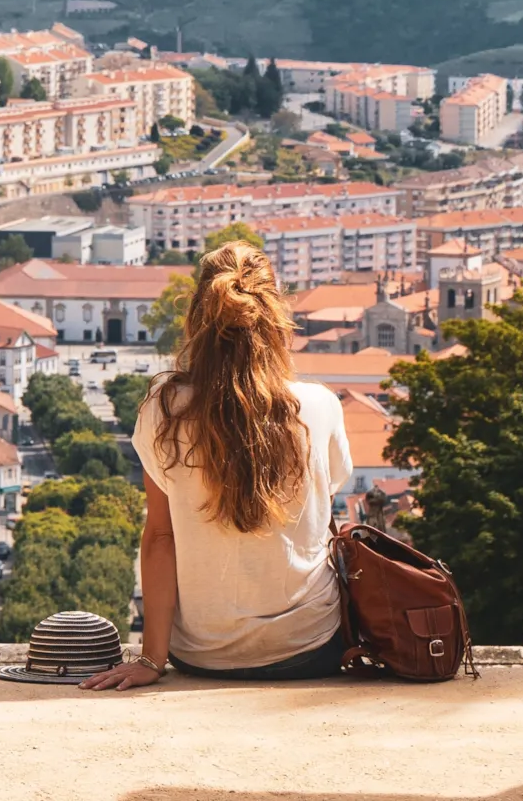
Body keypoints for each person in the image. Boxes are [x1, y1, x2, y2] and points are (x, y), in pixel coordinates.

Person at [83, 241, 355, 688]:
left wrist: (151, 660)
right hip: (311, 646)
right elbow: (323, 512)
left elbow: (160, 537)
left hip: (204, 653)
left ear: (197, 315)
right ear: (276, 316)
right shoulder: (320, 405)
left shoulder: (165, 408)